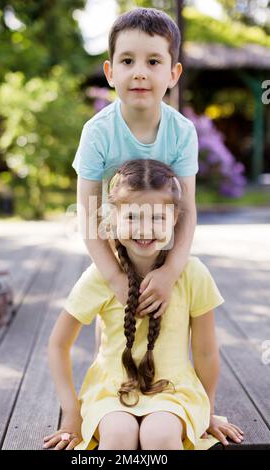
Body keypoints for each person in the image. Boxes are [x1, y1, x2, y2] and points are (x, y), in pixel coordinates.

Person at [43, 159, 244, 450]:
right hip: (111, 392)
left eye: (157, 218)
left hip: (174, 392)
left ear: (175, 218)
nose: (144, 229)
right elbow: (57, 345)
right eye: (133, 216)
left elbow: (205, 350)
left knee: (159, 436)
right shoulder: (100, 277)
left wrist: (207, 412)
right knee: (119, 435)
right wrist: (71, 415)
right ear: (113, 218)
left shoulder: (192, 274)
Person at [74, 7, 198, 324]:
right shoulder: (97, 132)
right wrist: (114, 276)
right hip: (116, 244)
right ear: (110, 71)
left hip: (161, 244)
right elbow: (87, 212)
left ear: (173, 74)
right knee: (113, 322)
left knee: (169, 319)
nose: (139, 72)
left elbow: (186, 209)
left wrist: (170, 271)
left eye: (153, 62)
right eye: (127, 61)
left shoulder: (182, 132)